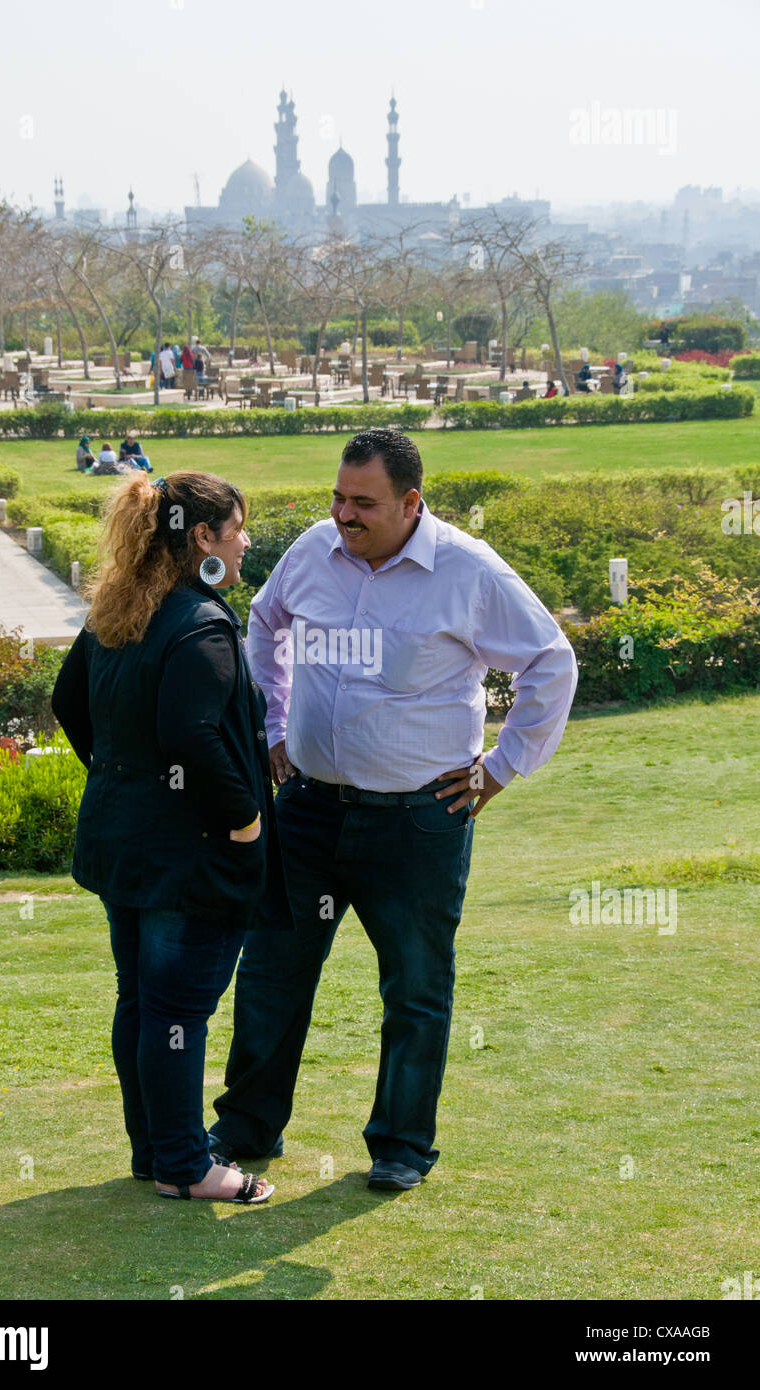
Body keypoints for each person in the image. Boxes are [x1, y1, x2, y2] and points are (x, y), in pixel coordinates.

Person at [207, 428, 578, 1191]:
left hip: (416, 822)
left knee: (413, 987)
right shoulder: (312, 549)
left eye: (363, 503)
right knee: (273, 973)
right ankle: (246, 1127)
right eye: (338, 497)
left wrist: (501, 769)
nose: (343, 514)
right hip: (305, 809)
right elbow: (265, 623)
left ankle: (400, 1148)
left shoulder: (468, 571)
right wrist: (273, 725)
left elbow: (550, 661)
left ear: (411, 502)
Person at [51, 469, 293, 1203]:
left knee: (143, 1002)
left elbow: (69, 705)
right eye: (236, 529)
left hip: (123, 845)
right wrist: (244, 820)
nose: (246, 541)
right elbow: (191, 734)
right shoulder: (199, 621)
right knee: (176, 1011)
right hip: (187, 859)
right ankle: (185, 1166)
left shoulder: (117, 612)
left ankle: (155, 1152)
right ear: (201, 538)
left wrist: (123, 780)